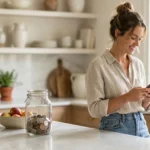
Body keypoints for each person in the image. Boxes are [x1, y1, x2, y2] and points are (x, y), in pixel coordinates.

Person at [86, 2, 150, 138]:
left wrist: (146, 99)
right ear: (117, 33)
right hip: (114, 128)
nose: (137, 44)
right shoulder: (98, 65)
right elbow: (94, 109)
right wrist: (127, 97)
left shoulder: (138, 65)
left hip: (141, 126)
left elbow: (141, 105)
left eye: (140, 39)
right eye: (133, 38)